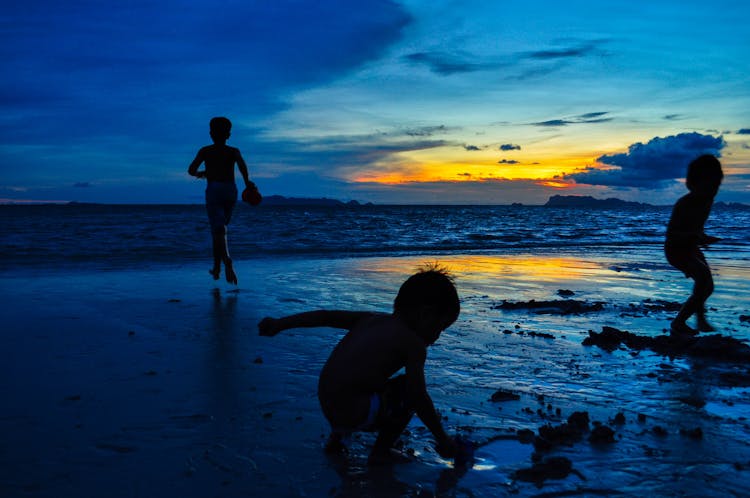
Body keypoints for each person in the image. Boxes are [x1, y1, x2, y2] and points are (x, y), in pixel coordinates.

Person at [258, 266, 465, 465]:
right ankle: (380, 453)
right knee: (406, 391)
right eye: (440, 327)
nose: (437, 337)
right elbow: (418, 397)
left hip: (328, 403)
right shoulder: (413, 344)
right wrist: (442, 439)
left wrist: (280, 324)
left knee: (368, 380)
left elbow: (325, 317)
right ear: (425, 315)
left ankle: (338, 437)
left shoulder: (371, 319)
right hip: (352, 410)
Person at [188, 117, 254, 285]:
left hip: (214, 190)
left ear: (211, 134)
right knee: (219, 230)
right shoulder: (233, 151)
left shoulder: (205, 151)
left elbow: (191, 170)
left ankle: (227, 261)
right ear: (228, 135)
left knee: (218, 230)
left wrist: (203, 173)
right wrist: (247, 183)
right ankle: (217, 267)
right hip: (231, 190)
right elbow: (242, 166)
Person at [665, 154, 723, 336]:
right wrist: (696, 236)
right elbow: (674, 233)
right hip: (676, 250)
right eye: (710, 184)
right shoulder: (685, 203)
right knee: (703, 280)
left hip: (691, 248)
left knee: (707, 285)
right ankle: (679, 322)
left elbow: (696, 227)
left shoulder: (706, 201)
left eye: (717, 185)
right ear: (693, 183)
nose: (714, 189)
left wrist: (702, 237)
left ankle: (700, 318)